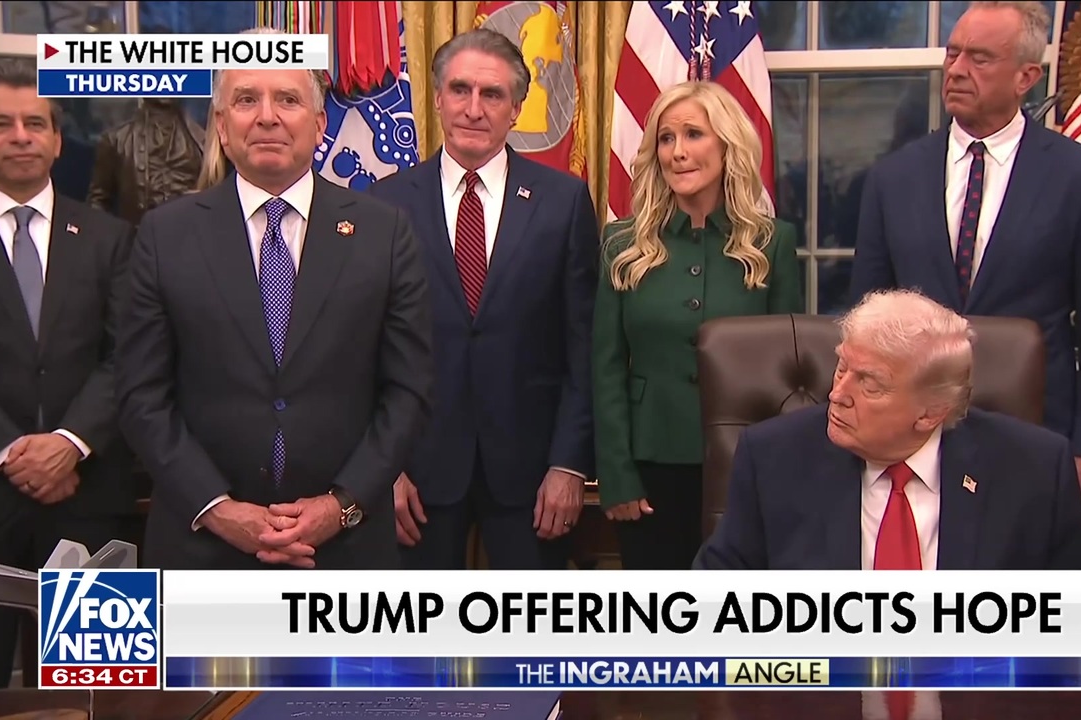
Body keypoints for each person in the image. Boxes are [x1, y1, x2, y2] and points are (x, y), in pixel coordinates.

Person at [115, 28, 435, 570]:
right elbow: (141, 396)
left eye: (287, 99)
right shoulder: (164, 235)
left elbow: (410, 391)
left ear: (320, 123)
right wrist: (218, 510)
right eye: (246, 100)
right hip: (203, 547)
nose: (267, 117)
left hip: (346, 550)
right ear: (221, 125)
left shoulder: (385, 233)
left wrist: (341, 505)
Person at [848, 0, 1081, 514]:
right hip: (910, 434)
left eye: (979, 58)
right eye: (953, 53)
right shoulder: (893, 178)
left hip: (1035, 434)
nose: (957, 69)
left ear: (1027, 76)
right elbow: (866, 317)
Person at [370, 29, 598, 570]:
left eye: (492, 94)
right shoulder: (385, 203)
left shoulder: (563, 201)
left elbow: (585, 345)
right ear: (438, 98)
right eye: (460, 90)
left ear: (516, 109)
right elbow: (367, 349)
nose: (474, 109)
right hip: (417, 476)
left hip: (532, 477)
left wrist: (569, 465)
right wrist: (384, 468)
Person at [693, 289, 1081, 571]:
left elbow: (1078, 629)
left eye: (869, 384)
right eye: (842, 367)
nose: (837, 394)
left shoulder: (1036, 470)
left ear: (931, 413)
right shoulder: (774, 458)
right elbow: (715, 607)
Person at [0, 59, 136, 688]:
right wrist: (10, 452)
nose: (21, 136)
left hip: (88, 501)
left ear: (58, 139)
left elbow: (132, 354)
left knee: (96, 691)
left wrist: (69, 444)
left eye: (35, 123)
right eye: (1, 124)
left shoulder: (111, 239)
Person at [593, 80, 804, 570]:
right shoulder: (622, 244)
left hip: (745, 463)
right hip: (649, 465)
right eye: (666, 139)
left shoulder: (771, 243)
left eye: (693, 135)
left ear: (727, 146)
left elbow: (788, 373)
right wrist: (616, 475)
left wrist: (782, 472)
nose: (678, 152)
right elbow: (605, 368)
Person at [86, 98, 205, 226]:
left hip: (190, 233)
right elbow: (97, 202)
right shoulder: (116, 140)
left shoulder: (201, 141)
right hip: (137, 235)